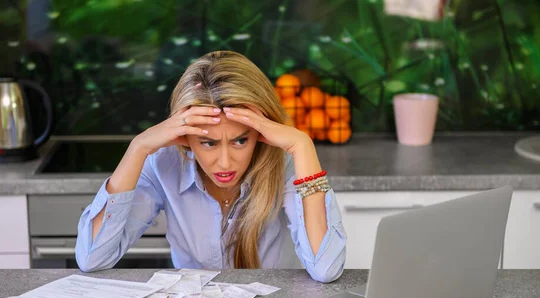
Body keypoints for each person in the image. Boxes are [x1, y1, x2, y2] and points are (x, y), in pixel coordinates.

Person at [75, 50, 347, 283]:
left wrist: (303, 145)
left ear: (260, 133)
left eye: (241, 140)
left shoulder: (286, 164)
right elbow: (92, 259)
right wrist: (137, 148)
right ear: (184, 137)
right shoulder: (163, 163)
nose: (225, 162)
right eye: (207, 143)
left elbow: (325, 269)